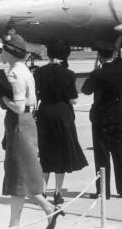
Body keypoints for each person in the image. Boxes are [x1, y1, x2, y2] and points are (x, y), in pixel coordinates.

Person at [0, 34, 63, 229]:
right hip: (26, 123)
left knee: (17, 176)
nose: (0, 52)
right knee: (20, 176)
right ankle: (47, 210)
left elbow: (19, 106)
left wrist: (1, 95)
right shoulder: (24, 70)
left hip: (19, 123)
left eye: (3, 49)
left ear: (11, 52)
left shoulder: (14, 74)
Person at [34, 40, 88, 205]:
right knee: (61, 154)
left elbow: (36, 95)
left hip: (44, 113)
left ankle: (42, 191)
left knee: (45, 153)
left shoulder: (38, 72)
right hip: (62, 115)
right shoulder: (69, 74)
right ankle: (57, 192)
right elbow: (73, 100)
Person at [82, 48, 122, 199]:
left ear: (99, 56)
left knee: (102, 156)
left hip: (102, 118)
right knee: (120, 154)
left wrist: (94, 71)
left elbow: (86, 90)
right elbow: (121, 63)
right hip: (119, 116)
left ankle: (104, 191)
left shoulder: (99, 73)